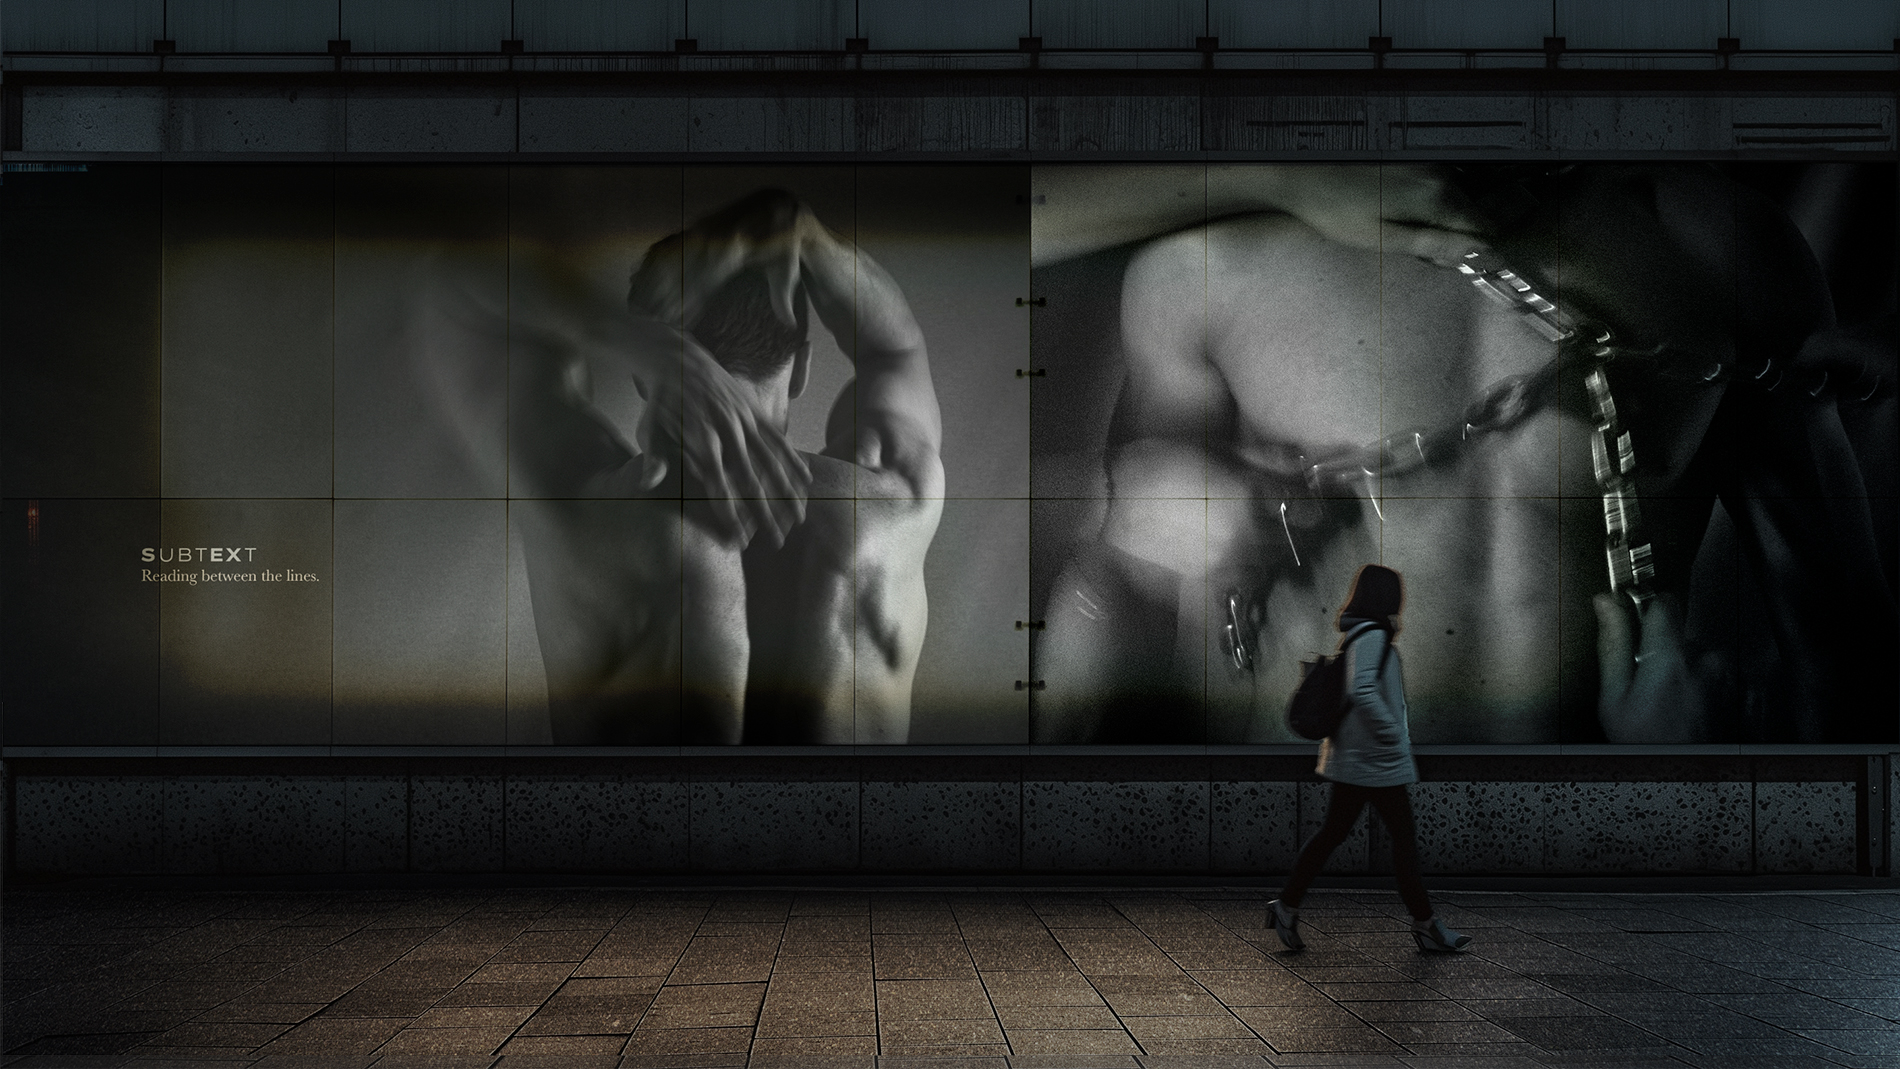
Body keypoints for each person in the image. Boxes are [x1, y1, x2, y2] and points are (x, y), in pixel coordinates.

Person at [1029, 163, 1886, 745]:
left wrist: (1695, 783)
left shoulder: (1726, 250)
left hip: (1582, 873)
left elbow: (1839, 654)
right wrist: (1160, 521)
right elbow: (1120, 578)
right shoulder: (1210, 267)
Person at [488, 189, 942, 744]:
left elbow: (459, 288)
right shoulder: (889, 504)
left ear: (641, 375)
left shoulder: (592, 515)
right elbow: (895, 348)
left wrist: (635, 341)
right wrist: (808, 239)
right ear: (800, 367)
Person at [1267, 563, 1470, 954]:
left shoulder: (1360, 634)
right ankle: (1426, 925)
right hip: (1375, 760)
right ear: (1388, 597)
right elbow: (1362, 691)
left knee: (1336, 834)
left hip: (1361, 759)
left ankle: (1288, 906)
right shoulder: (1373, 635)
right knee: (1401, 841)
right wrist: (1393, 734)